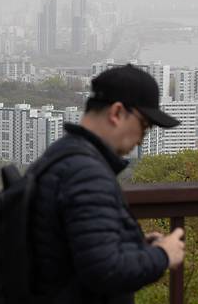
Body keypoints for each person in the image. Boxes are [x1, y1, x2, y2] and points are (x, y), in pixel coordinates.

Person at [29, 64, 185, 303]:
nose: (143, 139)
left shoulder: (63, 154)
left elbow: (76, 250)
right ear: (117, 113)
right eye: (144, 125)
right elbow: (105, 271)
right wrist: (163, 255)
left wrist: (137, 247)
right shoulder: (86, 174)